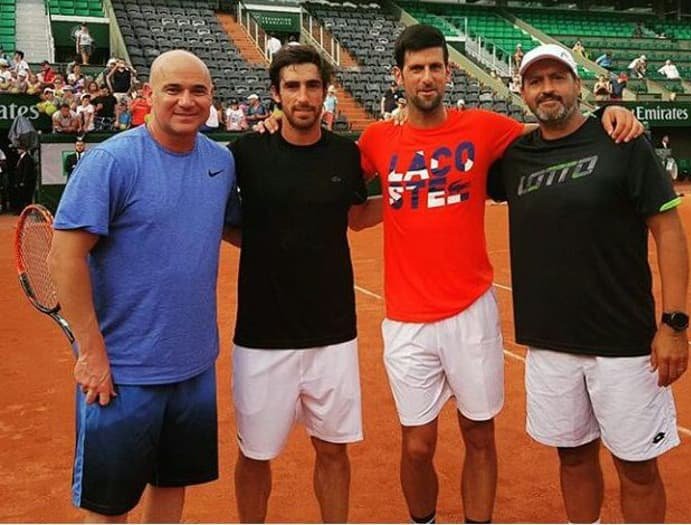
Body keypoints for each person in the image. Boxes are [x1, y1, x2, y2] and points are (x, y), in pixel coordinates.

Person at [356, 25, 643, 524]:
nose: (427, 77)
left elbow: (554, 129)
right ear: (398, 77)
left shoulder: (484, 127)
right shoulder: (377, 139)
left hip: (471, 311)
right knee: (417, 444)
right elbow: (341, 194)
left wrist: (607, 114)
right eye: (416, 69)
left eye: (435, 67)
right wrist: (276, 122)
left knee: (479, 434)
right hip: (405, 319)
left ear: (448, 72)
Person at [487, 44, 690, 524]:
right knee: (573, 457)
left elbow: (669, 232)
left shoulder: (622, 142)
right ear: (522, 92)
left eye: (557, 78)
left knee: (637, 468)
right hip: (549, 342)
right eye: (536, 82)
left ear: (578, 85)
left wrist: (674, 323)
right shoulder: (515, 157)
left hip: (624, 343)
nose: (547, 89)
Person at [48, 50, 238, 522]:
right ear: (148, 95)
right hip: (123, 372)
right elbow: (64, 256)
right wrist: (92, 353)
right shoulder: (111, 161)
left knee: (172, 485)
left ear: (211, 97)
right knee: (108, 507)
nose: (186, 101)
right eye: (173, 89)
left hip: (193, 366)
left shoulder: (220, 161)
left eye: (198, 91)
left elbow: (241, 230)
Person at [228, 44, 379, 524]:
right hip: (261, 336)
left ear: (325, 91)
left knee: (333, 450)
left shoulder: (346, 154)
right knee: (255, 455)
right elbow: (224, 222)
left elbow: (356, 216)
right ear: (275, 94)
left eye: (313, 85)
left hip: (333, 334)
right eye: (292, 86)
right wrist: (265, 244)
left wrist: (410, 200)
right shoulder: (246, 153)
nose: (303, 96)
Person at [12, 145, 36, 212]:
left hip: (26, 182)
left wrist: (23, 181)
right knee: (21, 197)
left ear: (23, 150)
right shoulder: (21, 158)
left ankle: (27, 210)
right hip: (20, 181)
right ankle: (21, 210)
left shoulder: (27, 158)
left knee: (26, 197)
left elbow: (26, 171)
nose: (17, 150)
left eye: (19, 149)